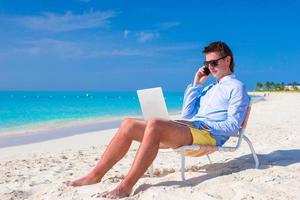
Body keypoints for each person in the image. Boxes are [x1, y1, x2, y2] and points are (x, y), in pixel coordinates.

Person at [64, 41, 250, 198]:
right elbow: (187, 114)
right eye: (207, 64)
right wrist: (196, 84)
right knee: (128, 124)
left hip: (208, 135)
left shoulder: (236, 87)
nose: (210, 67)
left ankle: (126, 185)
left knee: (154, 124)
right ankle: (95, 175)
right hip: (191, 129)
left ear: (227, 60)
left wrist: (199, 123)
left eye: (214, 63)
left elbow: (232, 126)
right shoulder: (209, 88)